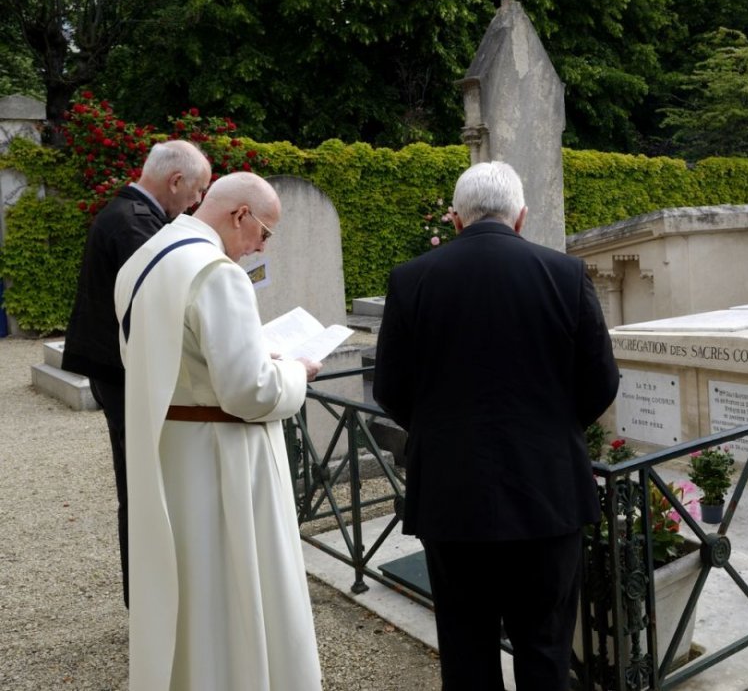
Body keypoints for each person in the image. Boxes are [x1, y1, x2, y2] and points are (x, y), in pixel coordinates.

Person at [372, 161, 619, 690]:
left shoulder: (411, 279)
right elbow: (601, 382)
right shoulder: (566, 275)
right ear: (521, 217)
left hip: (450, 492)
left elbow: (391, 389)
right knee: (546, 647)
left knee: (465, 648)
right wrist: (551, 430)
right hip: (547, 491)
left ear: (456, 220)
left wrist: (444, 433)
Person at [114, 172, 323, 691]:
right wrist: (296, 372)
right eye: (265, 233)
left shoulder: (147, 257)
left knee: (192, 591)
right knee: (234, 590)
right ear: (240, 216)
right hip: (224, 457)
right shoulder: (216, 272)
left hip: (173, 450)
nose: (259, 248)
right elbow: (247, 392)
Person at [61, 140, 211, 608]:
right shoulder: (135, 225)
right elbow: (167, 296)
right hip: (124, 374)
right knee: (144, 486)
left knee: (141, 481)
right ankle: (148, 601)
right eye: (198, 191)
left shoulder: (128, 214)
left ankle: (149, 597)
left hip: (114, 369)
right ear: (175, 182)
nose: (198, 202)